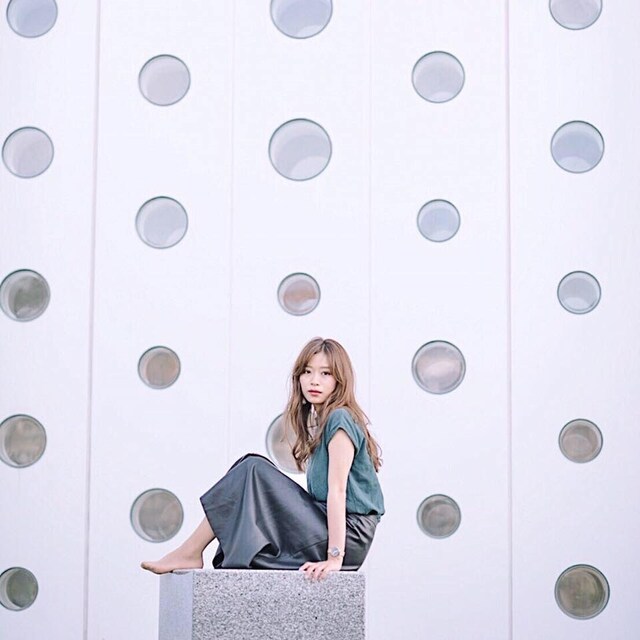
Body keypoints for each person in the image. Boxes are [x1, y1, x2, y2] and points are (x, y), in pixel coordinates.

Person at [141, 337, 384, 582]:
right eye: (307, 371)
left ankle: (190, 551)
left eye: (326, 373)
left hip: (349, 536)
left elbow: (338, 491)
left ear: (340, 380)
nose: (314, 381)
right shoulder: (321, 422)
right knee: (245, 469)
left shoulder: (340, 419)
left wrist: (335, 558)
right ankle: (191, 551)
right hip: (327, 526)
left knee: (252, 469)